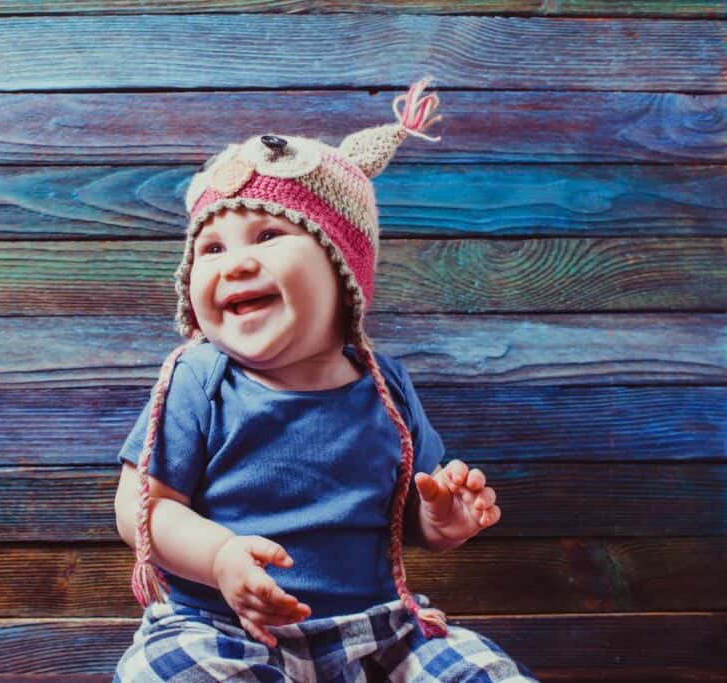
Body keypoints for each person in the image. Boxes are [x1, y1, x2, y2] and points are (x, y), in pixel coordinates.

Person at [112, 76, 538, 682]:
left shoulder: (385, 387)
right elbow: (139, 508)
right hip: (225, 629)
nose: (234, 261)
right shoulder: (200, 378)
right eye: (209, 248)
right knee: (166, 671)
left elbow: (409, 513)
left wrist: (441, 522)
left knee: (478, 669)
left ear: (342, 271)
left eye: (267, 235)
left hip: (379, 632)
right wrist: (219, 556)